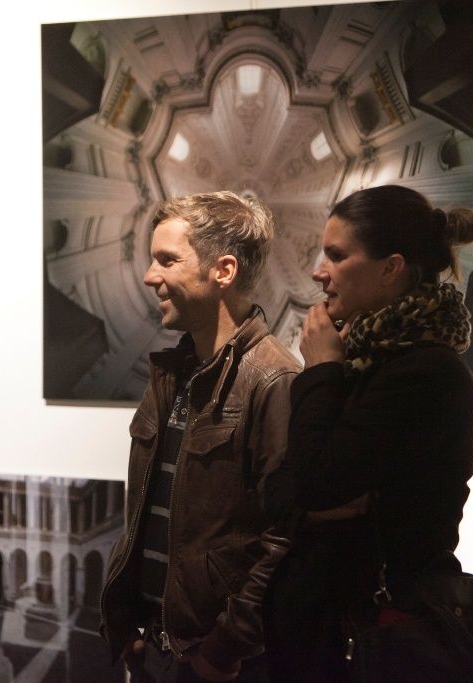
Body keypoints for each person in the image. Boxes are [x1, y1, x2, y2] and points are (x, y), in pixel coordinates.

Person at [263, 184, 473, 681]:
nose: (319, 272)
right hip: (335, 632)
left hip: (380, 637)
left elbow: (312, 481)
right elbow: (279, 490)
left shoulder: (424, 371)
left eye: (337, 256)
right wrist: (309, 498)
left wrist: (321, 368)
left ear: (391, 268)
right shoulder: (365, 356)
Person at [100, 191, 300, 682]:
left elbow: (285, 539)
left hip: (215, 664)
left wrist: (224, 649)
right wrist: (127, 619)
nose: (150, 276)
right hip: (154, 646)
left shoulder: (273, 380)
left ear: (223, 271)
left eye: (167, 260)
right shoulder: (173, 373)